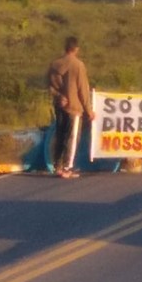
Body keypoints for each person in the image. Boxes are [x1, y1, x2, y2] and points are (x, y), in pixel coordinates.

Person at [47, 36, 96, 178]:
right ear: (76, 49)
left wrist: (59, 97)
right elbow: (83, 90)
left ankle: (58, 166)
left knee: (60, 134)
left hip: (59, 106)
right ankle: (68, 167)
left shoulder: (54, 65)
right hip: (74, 108)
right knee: (72, 137)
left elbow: (50, 87)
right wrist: (89, 110)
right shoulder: (78, 65)